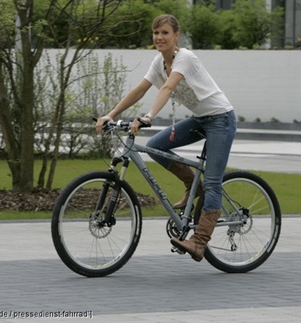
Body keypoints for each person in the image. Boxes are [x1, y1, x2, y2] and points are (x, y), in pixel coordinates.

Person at [96, 14, 236, 262]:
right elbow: (140, 89)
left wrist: (148, 116)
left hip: (221, 119)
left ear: (176, 36)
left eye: (164, 33)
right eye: (155, 33)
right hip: (201, 119)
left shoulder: (185, 58)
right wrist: (111, 114)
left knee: (214, 183)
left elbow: (168, 88)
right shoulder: (158, 62)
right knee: (155, 146)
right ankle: (194, 186)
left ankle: (199, 242)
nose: (159, 37)